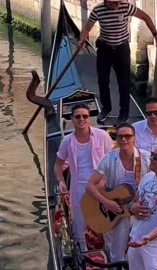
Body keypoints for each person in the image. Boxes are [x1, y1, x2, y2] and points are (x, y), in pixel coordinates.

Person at [78, 0, 157, 124]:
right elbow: (86, 29)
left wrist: (156, 34)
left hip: (122, 50)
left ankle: (124, 113)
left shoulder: (126, 7)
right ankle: (106, 108)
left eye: (118, 2)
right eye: (114, 3)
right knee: (102, 80)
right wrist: (81, 40)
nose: (117, 4)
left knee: (124, 83)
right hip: (104, 49)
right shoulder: (97, 10)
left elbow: (146, 17)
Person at [85, 123, 151, 262]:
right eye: (119, 136)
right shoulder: (109, 158)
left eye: (127, 136)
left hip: (140, 207)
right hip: (117, 209)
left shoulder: (146, 158)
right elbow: (90, 186)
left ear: (135, 139)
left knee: (139, 246)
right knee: (117, 247)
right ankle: (117, 261)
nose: (123, 140)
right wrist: (107, 202)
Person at [54, 104, 114, 251]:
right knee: (79, 225)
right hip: (78, 187)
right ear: (72, 120)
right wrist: (61, 181)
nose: (82, 119)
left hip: (101, 185)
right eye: (78, 116)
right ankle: (83, 255)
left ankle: (110, 257)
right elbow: (58, 165)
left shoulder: (102, 136)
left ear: (89, 118)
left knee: (106, 224)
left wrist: (106, 182)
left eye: (85, 116)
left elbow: (112, 161)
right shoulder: (67, 141)